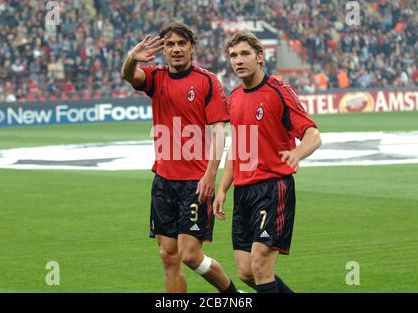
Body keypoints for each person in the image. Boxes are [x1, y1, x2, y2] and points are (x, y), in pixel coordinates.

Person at [121, 22, 238, 293]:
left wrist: (210, 173)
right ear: (163, 49)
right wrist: (132, 58)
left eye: (181, 43)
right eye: (170, 44)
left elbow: (219, 130)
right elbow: (129, 76)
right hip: (163, 181)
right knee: (168, 256)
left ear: (192, 47)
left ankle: (233, 295)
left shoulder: (207, 81)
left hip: (194, 183)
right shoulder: (156, 78)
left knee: (190, 255)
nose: (176, 49)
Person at [213, 31, 322, 293]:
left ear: (260, 57)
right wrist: (222, 188)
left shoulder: (279, 91)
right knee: (246, 272)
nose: (238, 60)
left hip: (273, 189)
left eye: (245, 54)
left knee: (261, 266)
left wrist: (297, 153)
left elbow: (313, 135)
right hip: (244, 192)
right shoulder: (235, 98)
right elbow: (238, 148)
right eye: (233, 56)